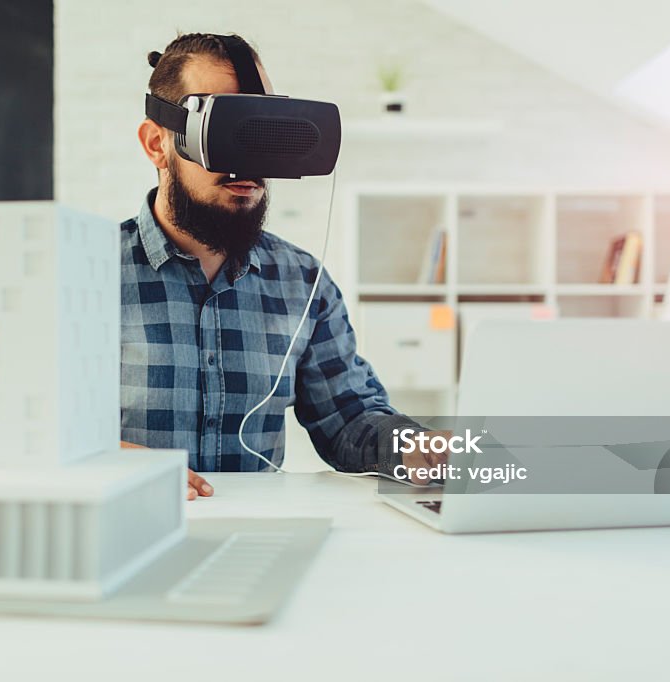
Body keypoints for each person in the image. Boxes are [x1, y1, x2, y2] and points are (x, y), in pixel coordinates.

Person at [121, 33, 444, 499]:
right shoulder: (80, 276)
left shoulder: (303, 282)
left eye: (263, 129)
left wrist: (416, 446)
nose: (249, 162)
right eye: (226, 130)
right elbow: (19, 432)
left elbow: (349, 419)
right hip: (123, 538)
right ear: (158, 145)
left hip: (255, 537)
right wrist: (108, 459)